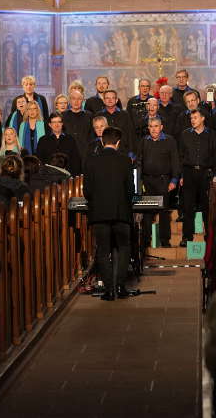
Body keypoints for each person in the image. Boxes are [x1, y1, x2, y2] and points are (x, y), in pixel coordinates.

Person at [83, 126, 134, 301]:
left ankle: (108, 290)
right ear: (118, 142)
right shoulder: (126, 161)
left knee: (103, 250)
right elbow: (130, 190)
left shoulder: (91, 161)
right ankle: (120, 286)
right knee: (124, 247)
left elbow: (87, 192)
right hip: (121, 212)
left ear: (102, 141)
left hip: (99, 213)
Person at [178, 109, 216, 247]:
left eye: (195, 117)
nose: (192, 120)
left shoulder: (212, 134)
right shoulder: (185, 134)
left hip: (205, 174)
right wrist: (181, 175)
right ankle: (187, 237)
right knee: (188, 207)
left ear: (202, 118)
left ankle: (209, 236)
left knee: (206, 207)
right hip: (189, 173)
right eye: (191, 118)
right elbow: (180, 156)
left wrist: (215, 175)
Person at [137, 116, 180, 248]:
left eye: (156, 126)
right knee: (147, 211)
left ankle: (165, 240)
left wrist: (174, 180)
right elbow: (139, 161)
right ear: (148, 128)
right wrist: (139, 181)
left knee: (163, 211)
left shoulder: (170, 140)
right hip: (147, 181)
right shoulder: (144, 141)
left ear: (161, 127)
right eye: (151, 126)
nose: (154, 129)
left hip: (164, 181)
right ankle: (146, 240)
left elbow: (175, 161)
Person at [97, 90, 135, 158]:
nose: (110, 100)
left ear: (116, 100)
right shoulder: (99, 115)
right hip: (104, 153)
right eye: (107, 98)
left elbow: (130, 133)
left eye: (112, 98)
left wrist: (131, 152)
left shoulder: (125, 114)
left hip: (123, 152)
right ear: (103, 100)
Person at [63, 90, 93, 157]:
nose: (76, 101)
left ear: (83, 100)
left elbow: (92, 134)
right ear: (70, 101)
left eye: (79, 99)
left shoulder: (89, 115)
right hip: (67, 152)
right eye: (73, 98)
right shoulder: (63, 115)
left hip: (85, 153)